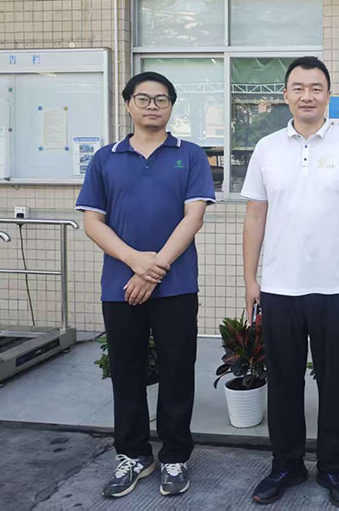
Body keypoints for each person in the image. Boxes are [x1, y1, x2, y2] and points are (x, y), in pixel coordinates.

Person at [241, 56, 339, 507]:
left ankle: (334, 469)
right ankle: (286, 464)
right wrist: (250, 279)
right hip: (280, 287)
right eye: (298, 88)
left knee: (333, 382)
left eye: (316, 88)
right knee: (283, 382)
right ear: (285, 95)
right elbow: (255, 217)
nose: (307, 96)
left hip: (335, 288)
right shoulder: (266, 148)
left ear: (328, 95)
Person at [76, 71, 214, 499]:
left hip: (177, 286)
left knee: (177, 371)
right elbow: (92, 222)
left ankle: (174, 456)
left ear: (172, 106)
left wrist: (155, 268)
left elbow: (194, 216)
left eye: (161, 99)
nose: (152, 106)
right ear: (128, 104)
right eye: (143, 98)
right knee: (126, 372)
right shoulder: (106, 158)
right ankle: (134, 454)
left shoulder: (190, 155)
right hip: (120, 285)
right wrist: (135, 261)